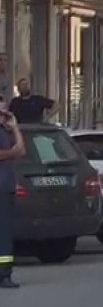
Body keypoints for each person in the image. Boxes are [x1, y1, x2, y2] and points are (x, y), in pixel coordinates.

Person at [0, 99, 24, 289]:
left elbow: (21, 150)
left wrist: (15, 128)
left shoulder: (6, 130)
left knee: (5, 233)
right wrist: (13, 151)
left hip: (6, 187)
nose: (4, 105)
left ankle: (5, 273)